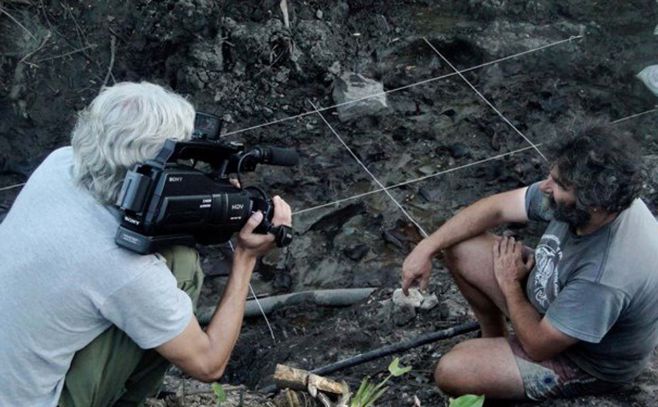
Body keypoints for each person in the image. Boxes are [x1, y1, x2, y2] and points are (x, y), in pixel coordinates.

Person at [0, 82, 292, 406]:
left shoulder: (59, 164)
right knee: (181, 263)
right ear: (151, 170)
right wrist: (245, 257)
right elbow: (210, 365)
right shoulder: (123, 267)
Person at [401, 121, 658, 401]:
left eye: (559, 184)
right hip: (555, 301)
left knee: (454, 369)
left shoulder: (606, 277)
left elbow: (539, 347)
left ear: (591, 203)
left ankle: (506, 367)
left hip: (581, 359)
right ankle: (494, 338)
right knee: (461, 244)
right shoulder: (591, 202)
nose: (546, 187)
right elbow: (497, 208)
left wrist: (510, 283)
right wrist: (427, 246)